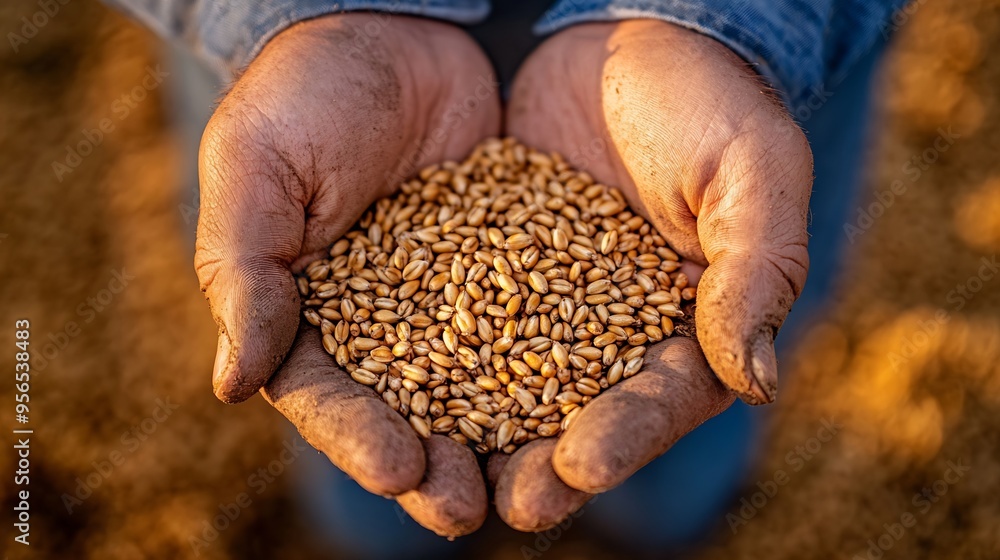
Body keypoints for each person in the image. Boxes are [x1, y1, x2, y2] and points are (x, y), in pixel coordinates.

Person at [105, 0, 909, 555]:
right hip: (301, 60)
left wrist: (729, 26)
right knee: (358, 455)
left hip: (734, 53)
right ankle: (374, 537)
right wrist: (297, 16)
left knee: (718, 347)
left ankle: (668, 526)